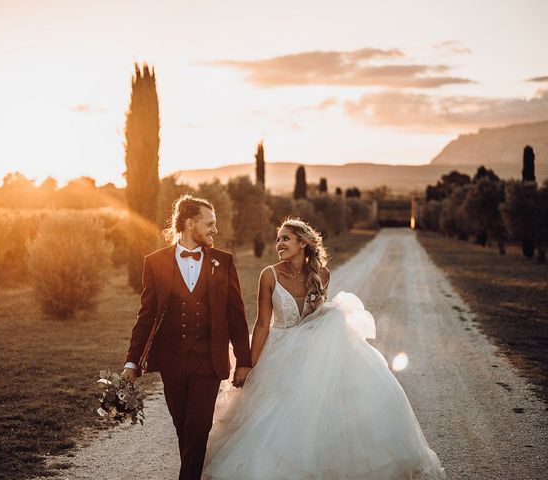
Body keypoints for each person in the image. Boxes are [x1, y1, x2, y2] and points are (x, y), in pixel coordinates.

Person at [203, 218, 446, 480]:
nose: (279, 244)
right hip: (278, 349)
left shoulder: (322, 275)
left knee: (317, 410)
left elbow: (317, 318)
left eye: (285, 238)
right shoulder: (269, 275)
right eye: (278, 239)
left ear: (303, 242)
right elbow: (262, 324)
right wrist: (250, 364)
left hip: (312, 352)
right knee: (271, 411)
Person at [123, 194, 252, 480]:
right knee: (183, 427)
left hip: (209, 361)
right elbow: (145, 316)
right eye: (210, 224)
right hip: (172, 361)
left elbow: (236, 315)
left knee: (197, 428)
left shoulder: (224, 261)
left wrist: (244, 360)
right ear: (190, 223)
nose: (214, 230)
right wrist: (132, 361)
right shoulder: (155, 263)